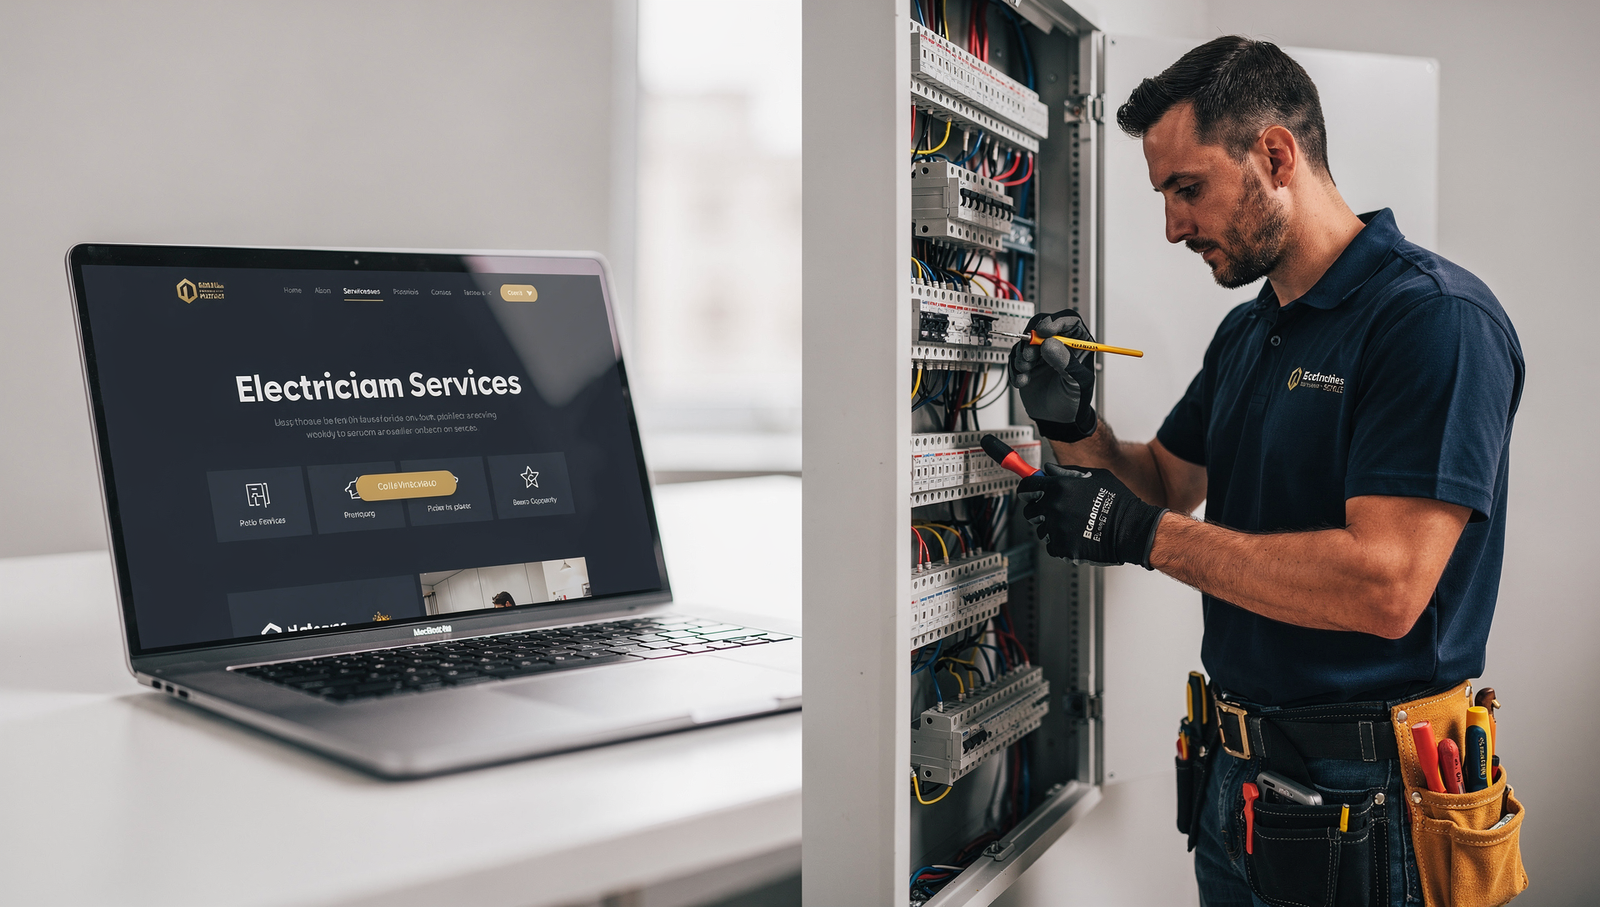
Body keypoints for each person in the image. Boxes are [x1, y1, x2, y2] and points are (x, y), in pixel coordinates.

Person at [1008, 36, 1524, 906]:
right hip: (1239, 782)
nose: (1173, 225)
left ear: (1276, 155)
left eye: (1188, 188)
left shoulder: (1433, 321)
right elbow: (1163, 484)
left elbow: (1387, 586)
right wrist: (1074, 424)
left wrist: (1146, 538)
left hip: (1375, 805)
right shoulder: (1250, 333)